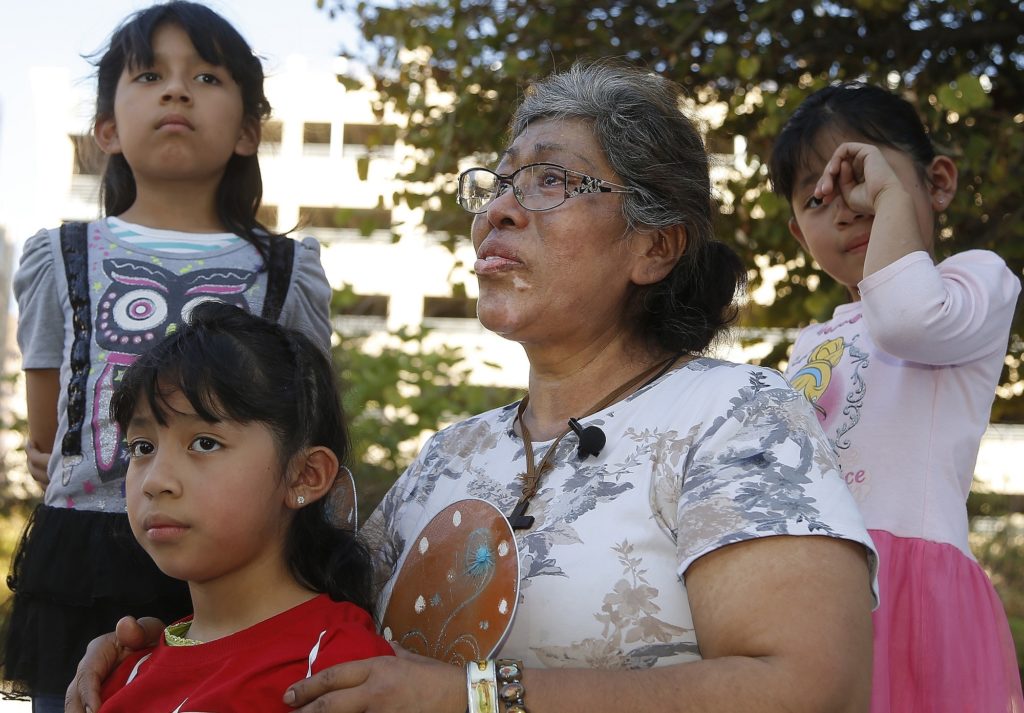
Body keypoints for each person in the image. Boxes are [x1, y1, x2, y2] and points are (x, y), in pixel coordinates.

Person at [68, 61, 879, 713]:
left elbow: (812, 687)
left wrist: (478, 697)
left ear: (656, 246)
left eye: (549, 181)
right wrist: (171, 649)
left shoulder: (736, 417)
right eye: (495, 185)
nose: (498, 211)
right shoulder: (449, 457)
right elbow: (296, 613)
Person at [1, 3, 333, 710]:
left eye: (207, 77)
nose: (177, 90)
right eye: (150, 74)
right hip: (86, 552)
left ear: (248, 132)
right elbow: (47, 427)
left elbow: (310, 415)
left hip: (241, 557)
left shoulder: (288, 268)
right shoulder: (58, 256)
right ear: (107, 130)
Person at [768, 81, 1024, 712]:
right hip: (815, 579)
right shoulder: (811, 343)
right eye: (818, 199)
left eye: (862, 176)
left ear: (936, 183)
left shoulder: (973, 280)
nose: (848, 208)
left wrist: (889, 199)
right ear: (801, 237)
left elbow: (905, 320)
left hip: (911, 580)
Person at [95, 302, 394, 711]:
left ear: (305, 475)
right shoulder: (123, 670)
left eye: (204, 443)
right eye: (142, 447)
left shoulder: (338, 668)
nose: (155, 481)